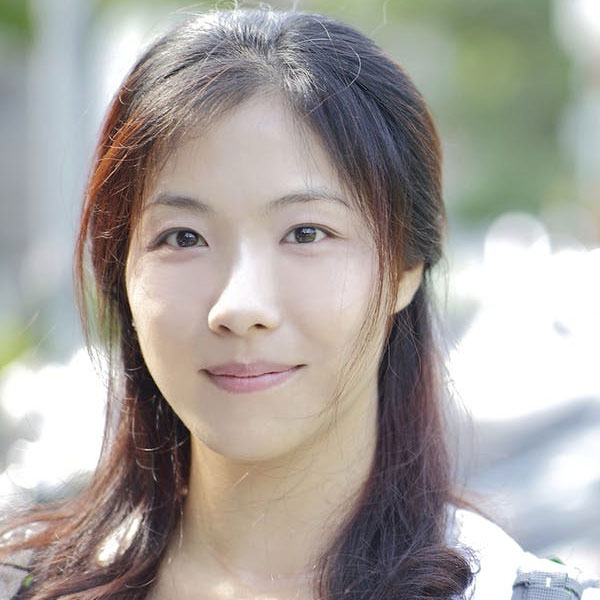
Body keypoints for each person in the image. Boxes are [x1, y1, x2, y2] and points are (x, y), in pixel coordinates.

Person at [0, 7, 597, 600]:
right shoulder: (27, 582)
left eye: (306, 233)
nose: (240, 306)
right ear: (120, 271)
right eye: (183, 237)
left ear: (405, 267)